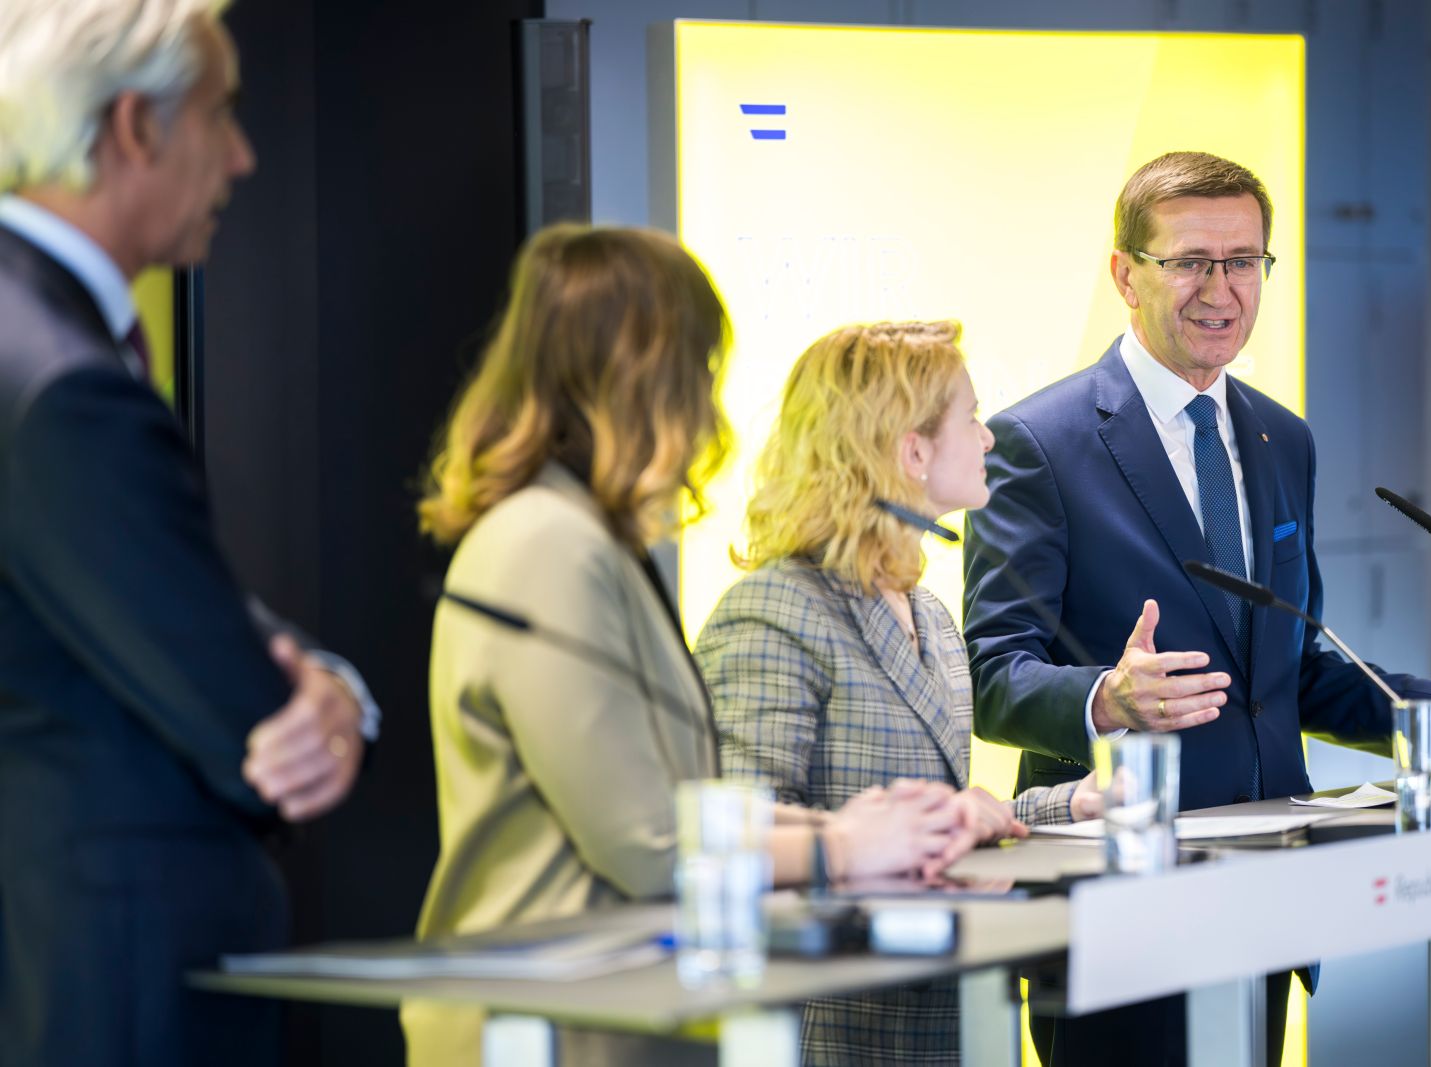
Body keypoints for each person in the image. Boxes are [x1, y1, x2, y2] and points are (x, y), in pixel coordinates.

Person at [962, 150, 1431, 1065]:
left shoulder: (1279, 437)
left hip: (1269, 902)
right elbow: (989, 675)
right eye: (1191, 262)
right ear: (1124, 275)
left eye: (1244, 261)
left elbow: (1294, 673)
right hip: (1119, 903)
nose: (1222, 289)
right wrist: (1105, 698)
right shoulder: (1036, 444)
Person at [409, 227, 977, 1066]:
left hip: (602, 1014)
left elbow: (685, 799)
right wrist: (843, 846)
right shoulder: (547, 544)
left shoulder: (587, 541)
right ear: (640, 378)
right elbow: (647, 844)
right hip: (555, 1024)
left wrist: (865, 826)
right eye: (700, 374)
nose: (710, 412)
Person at [0, 3, 377, 1064]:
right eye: (222, 116)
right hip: (112, 982)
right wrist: (321, 705)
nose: (245, 156)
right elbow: (243, 715)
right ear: (134, 128)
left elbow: (161, 596)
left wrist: (334, 692)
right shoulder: (66, 381)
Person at [697, 320, 1104, 1064]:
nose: (988, 439)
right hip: (842, 1033)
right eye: (972, 418)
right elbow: (732, 844)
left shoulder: (929, 614)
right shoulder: (774, 611)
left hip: (957, 1018)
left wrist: (1059, 807)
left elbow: (928, 821)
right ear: (912, 450)